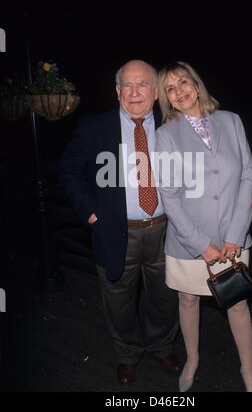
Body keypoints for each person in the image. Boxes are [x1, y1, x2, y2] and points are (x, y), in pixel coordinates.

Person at [59, 60, 180, 386]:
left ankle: (162, 345)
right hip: (115, 231)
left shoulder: (174, 124)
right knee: (117, 300)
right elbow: (68, 170)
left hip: (167, 230)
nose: (135, 91)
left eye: (142, 84)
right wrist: (90, 211)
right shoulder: (95, 127)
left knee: (166, 296)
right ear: (117, 91)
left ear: (155, 92)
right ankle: (127, 355)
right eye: (127, 84)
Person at [155, 61, 252, 392]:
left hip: (233, 237)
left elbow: (247, 176)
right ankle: (192, 358)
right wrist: (201, 244)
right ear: (167, 99)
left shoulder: (231, 121)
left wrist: (235, 236)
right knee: (187, 301)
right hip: (188, 242)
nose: (179, 92)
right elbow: (169, 196)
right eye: (170, 89)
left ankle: (248, 370)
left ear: (196, 85)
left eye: (183, 83)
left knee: (238, 303)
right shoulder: (165, 135)